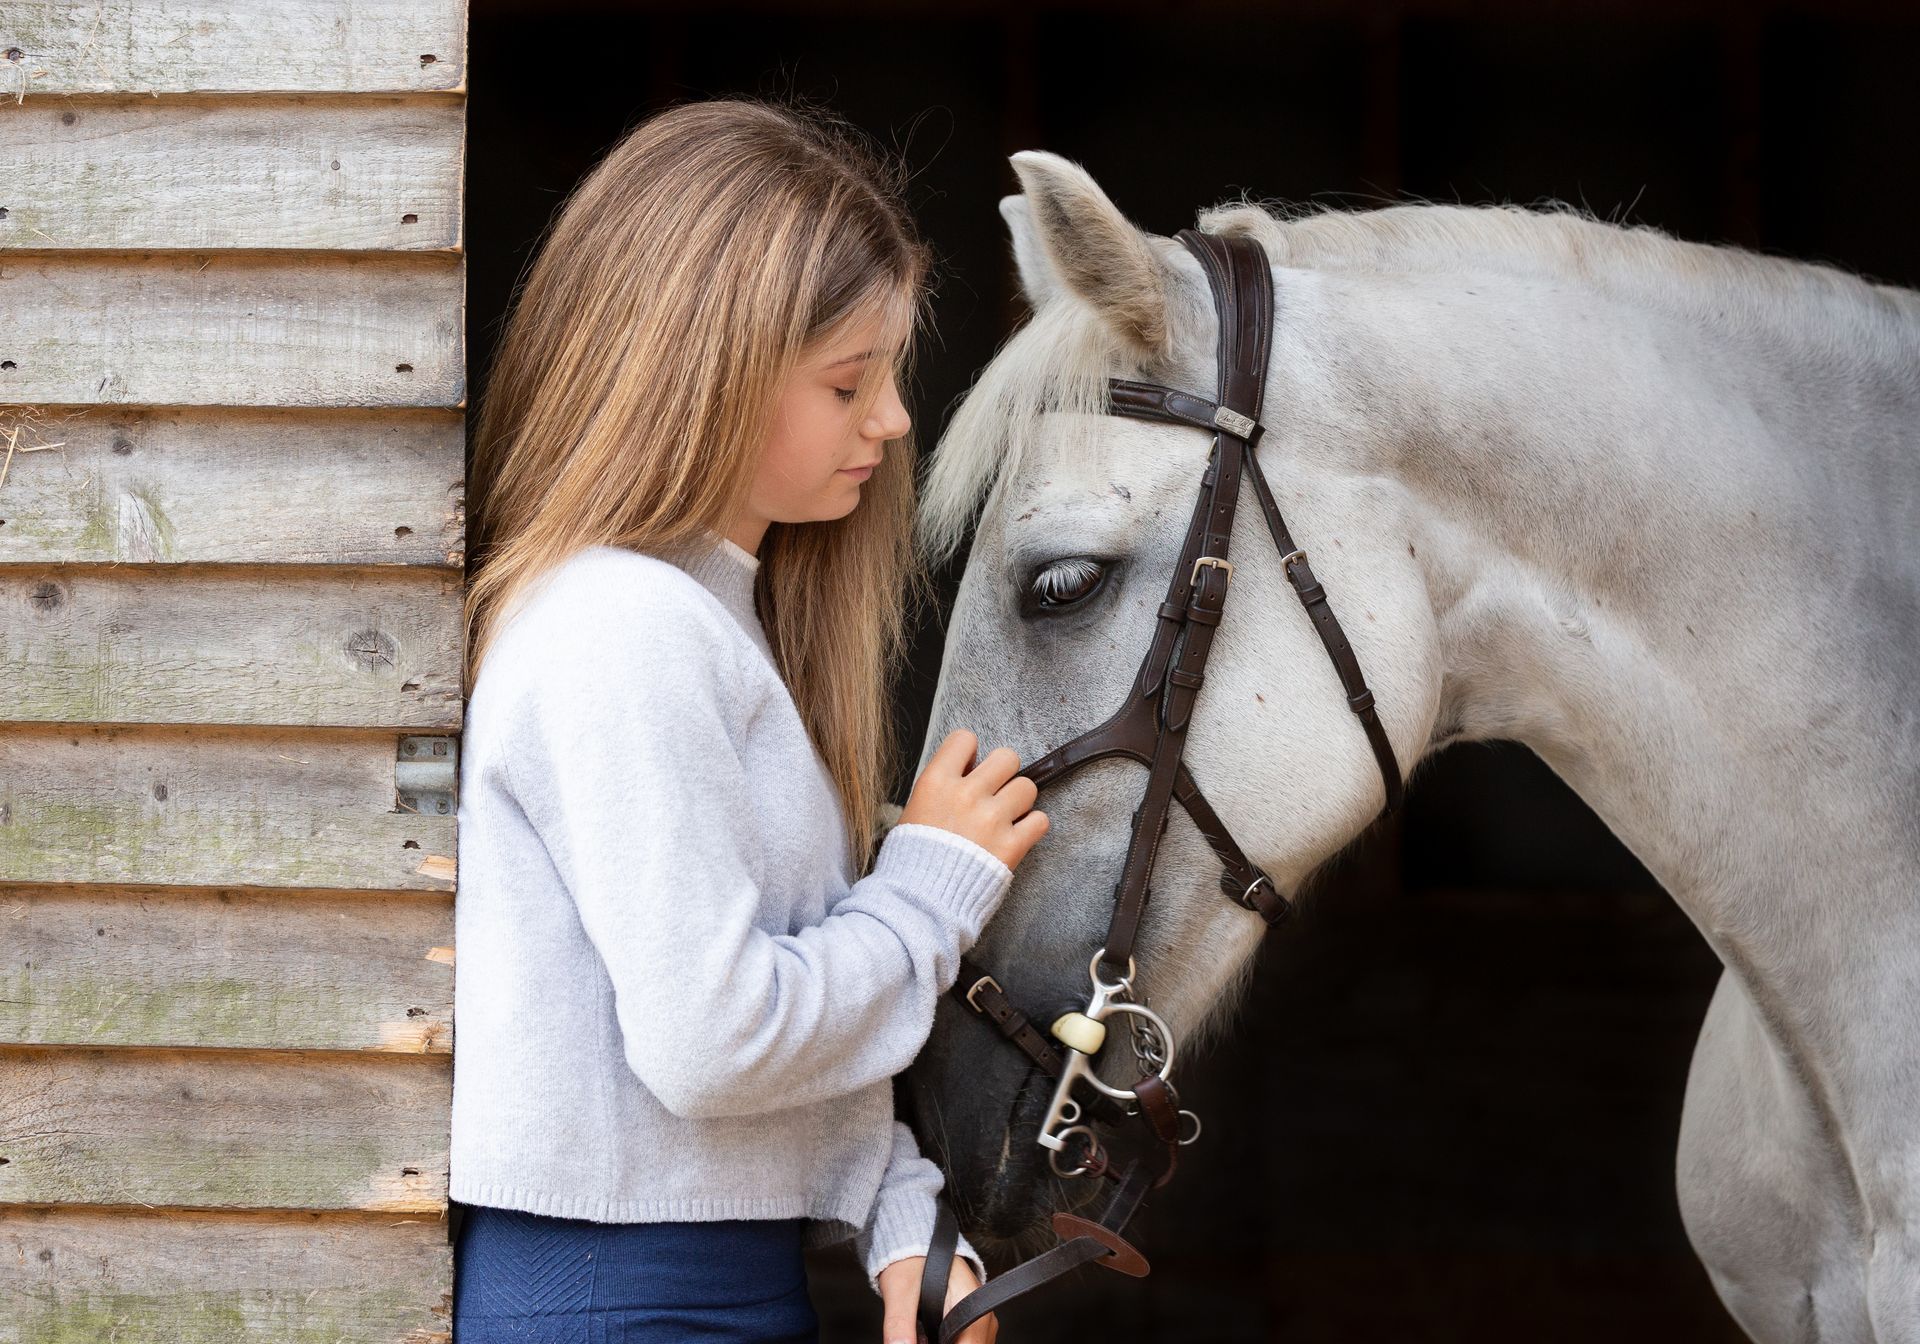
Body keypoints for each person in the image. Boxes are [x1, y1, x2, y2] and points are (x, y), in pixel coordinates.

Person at [448, 95, 1046, 1344]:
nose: (891, 418)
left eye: (887, 376)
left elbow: (758, 1039)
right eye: (848, 381)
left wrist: (900, 1220)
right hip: (619, 1306)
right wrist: (930, 891)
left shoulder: (709, 624)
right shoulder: (619, 626)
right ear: (702, 368)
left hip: (716, 1289)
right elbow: (714, 1041)